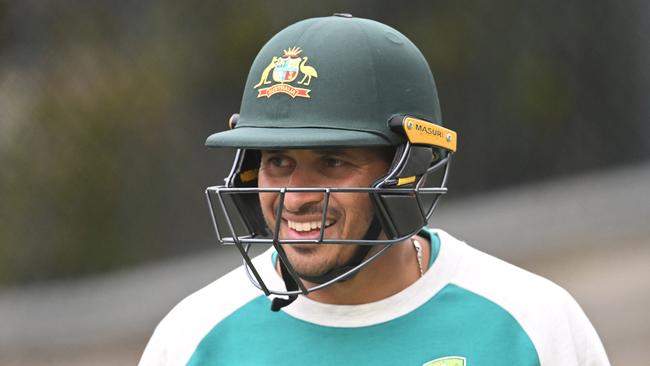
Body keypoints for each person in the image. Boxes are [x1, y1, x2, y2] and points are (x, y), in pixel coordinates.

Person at [139, 15, 609, 366]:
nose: (297, 197)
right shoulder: (191, 341)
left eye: (333, 162)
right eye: (278, 162)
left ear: (410, 168)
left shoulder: (533, 326)